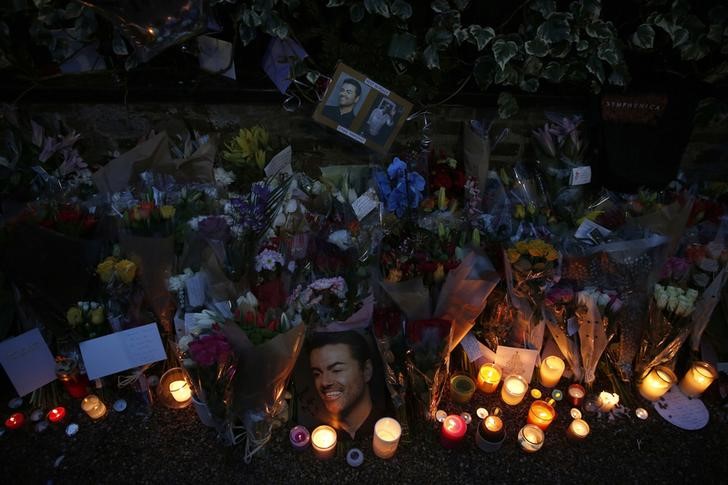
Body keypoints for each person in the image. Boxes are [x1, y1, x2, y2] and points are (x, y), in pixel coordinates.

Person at [307, 331, 381, 439]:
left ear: (366, 371)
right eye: (317, 374)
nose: (324, 382)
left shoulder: (393, 429)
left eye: (336, 370)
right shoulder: (312, 437)